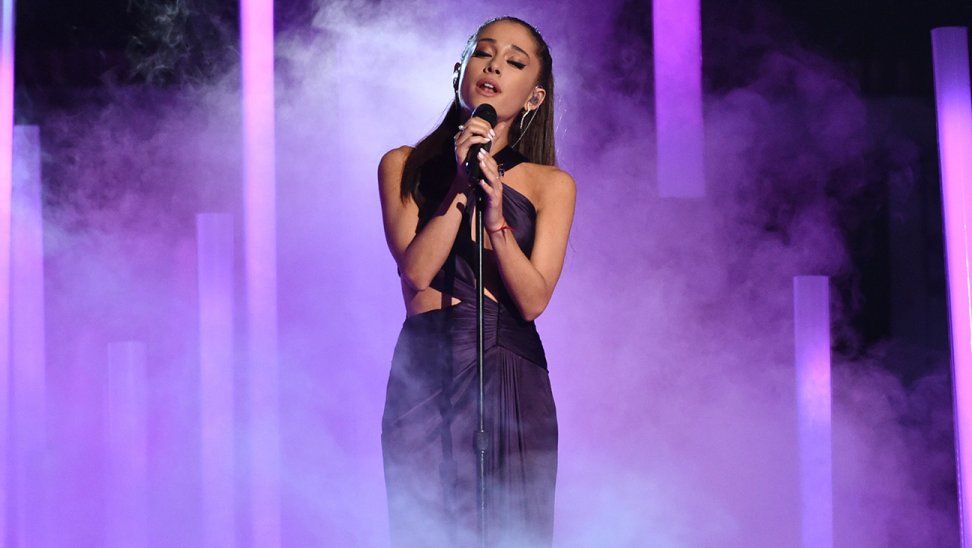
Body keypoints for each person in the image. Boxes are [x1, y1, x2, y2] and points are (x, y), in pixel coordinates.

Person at [377, 15, 576, 547]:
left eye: (514, 62)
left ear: (534, 98)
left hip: (510, 368)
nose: (494, 66)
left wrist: (496, 220)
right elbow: (416, 270)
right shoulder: (403, 164)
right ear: (459, 70)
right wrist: (462, 185)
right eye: (483, 53)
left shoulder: (551, 184)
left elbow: (532, 301)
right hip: (427, 367)